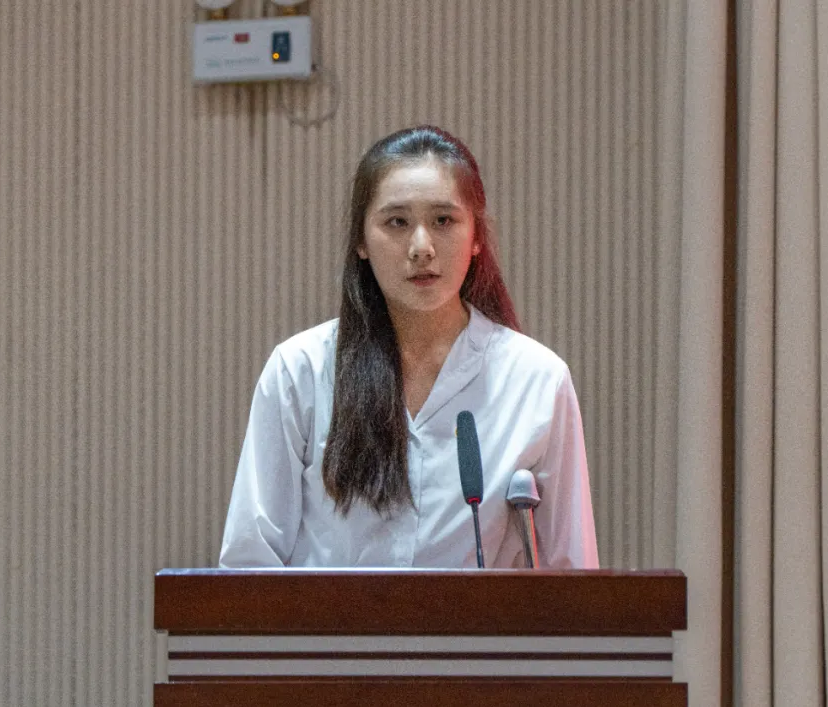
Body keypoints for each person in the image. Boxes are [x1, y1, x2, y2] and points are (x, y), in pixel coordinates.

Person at [219, 125, 598, 569]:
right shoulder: (300, 370)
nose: (422, 248)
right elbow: (249, 564)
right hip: (327, 620)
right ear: (361, 241)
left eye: (443, 221)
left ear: (477, 236)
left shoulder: (537, 379)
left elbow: (571, 573)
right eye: (397, 222)